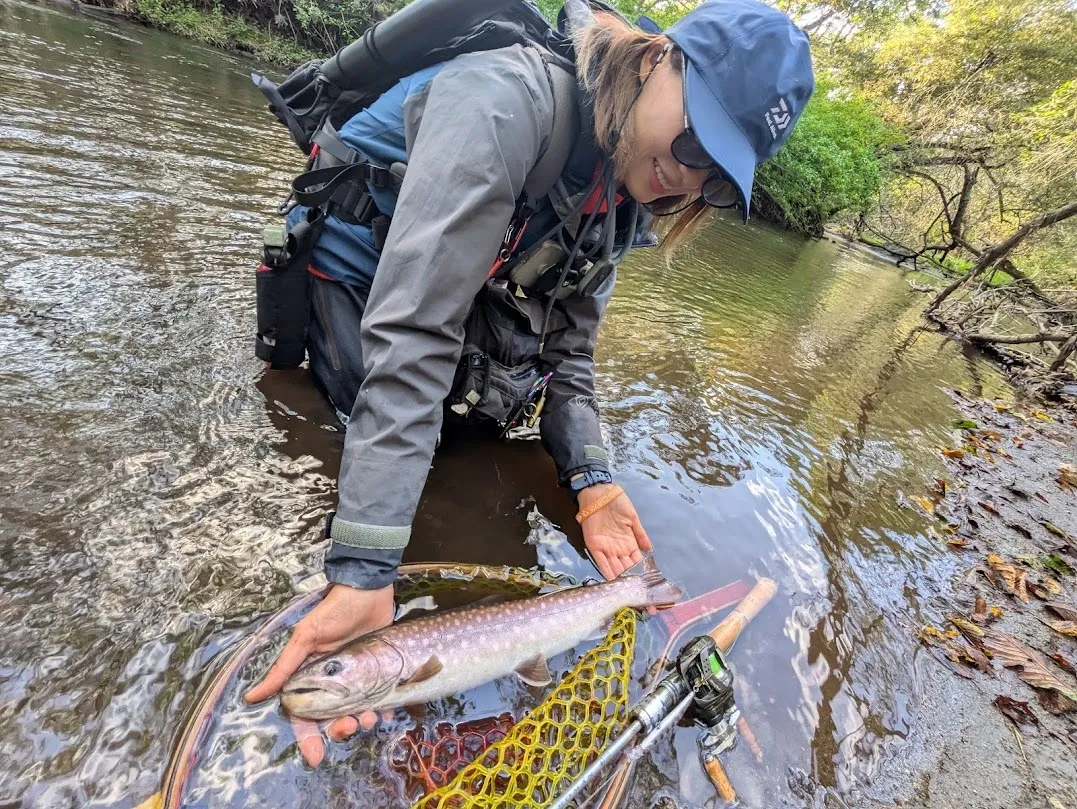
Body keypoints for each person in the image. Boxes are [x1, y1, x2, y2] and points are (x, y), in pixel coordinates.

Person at [245, 0, 813, 766]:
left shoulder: (622, 191)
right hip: (358, 271)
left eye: (714, 176)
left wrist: (592, 480)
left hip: (461, 274)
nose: (688, 175)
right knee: (377, 430)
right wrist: (364, 570)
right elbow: (413, 334)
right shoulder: (503, 101)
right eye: (693, 140)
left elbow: (569, 355)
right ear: (655, 60)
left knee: (493, 406)